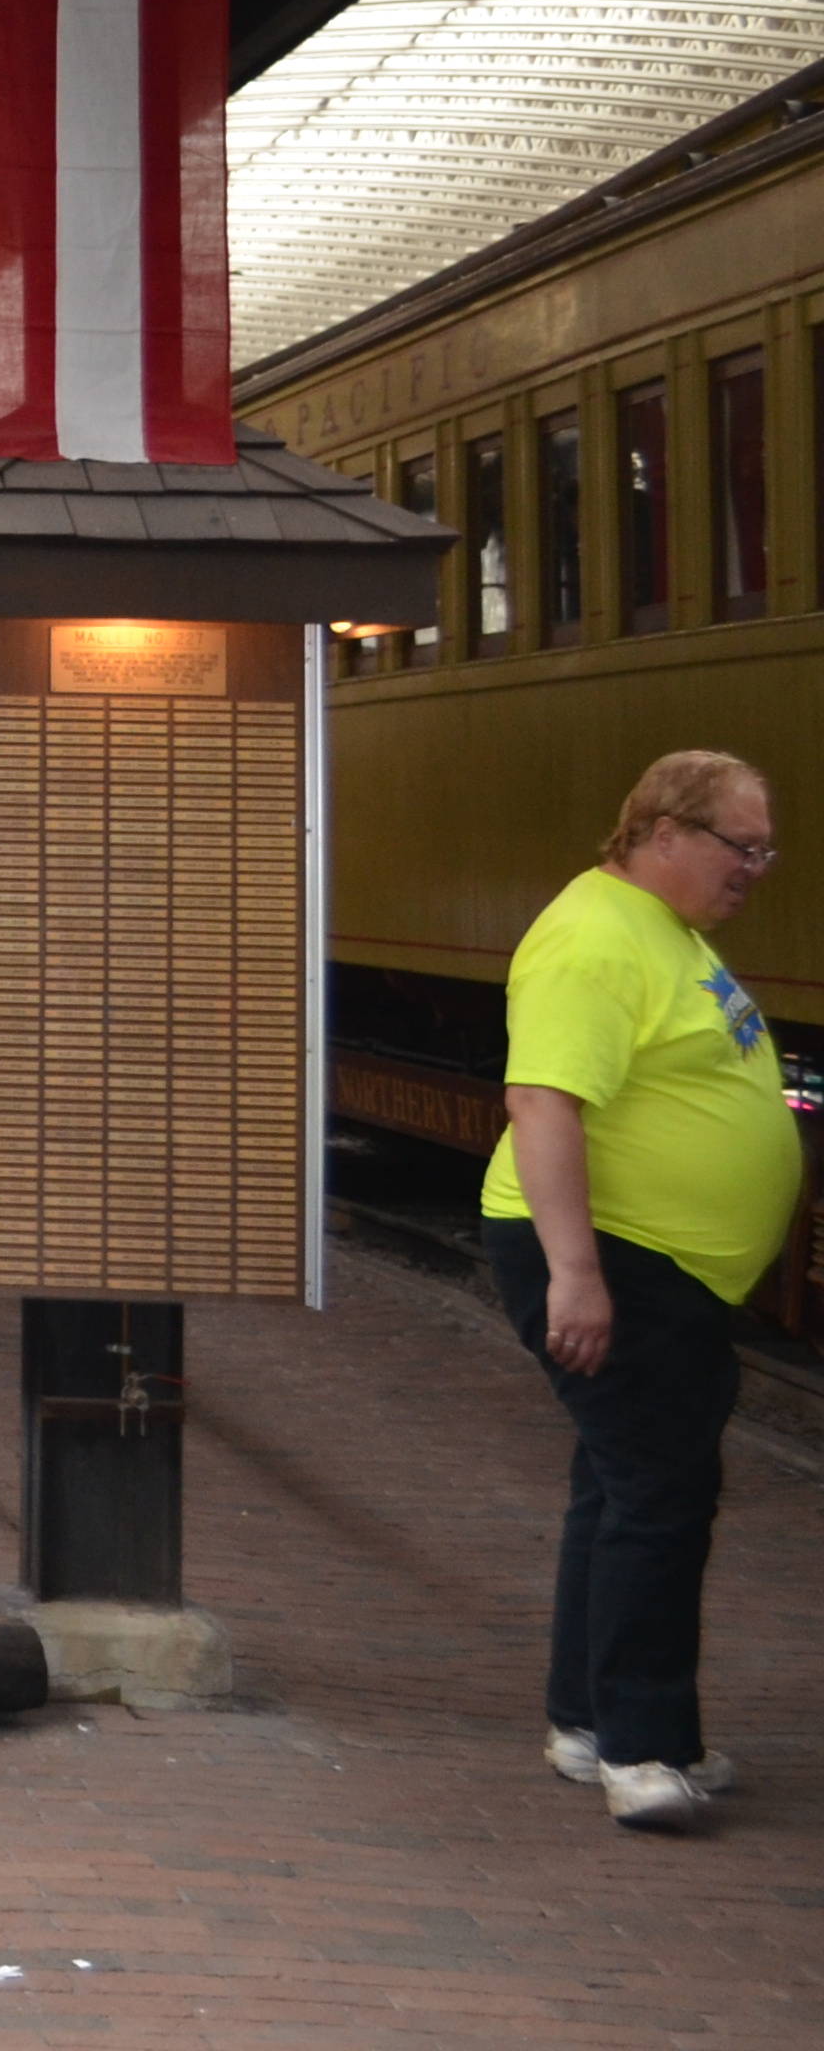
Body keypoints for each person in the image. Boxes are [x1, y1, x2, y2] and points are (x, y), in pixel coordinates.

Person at [481, 749, 808, 1831]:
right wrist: (574, 1275)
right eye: (741, 846)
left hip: (645, 1261)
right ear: (661, 831)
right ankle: (641, 1747)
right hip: (610, 1252)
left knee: (617, 1486)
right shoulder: (591, 938)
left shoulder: (659, 935)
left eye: (764, 849)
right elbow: (541, 1101)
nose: (756, 868)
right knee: (657, 1496)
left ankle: (585, 1722)